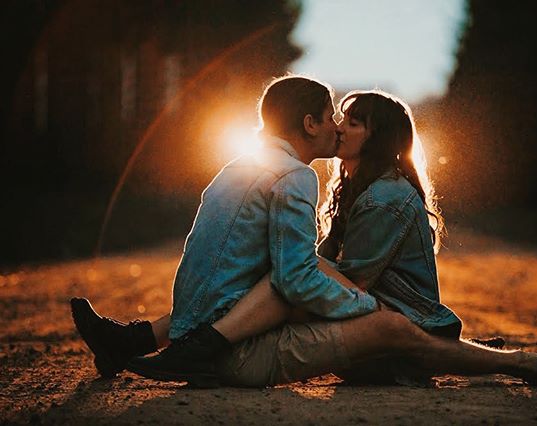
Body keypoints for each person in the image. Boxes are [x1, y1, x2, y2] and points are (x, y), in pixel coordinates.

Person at [73, 85, 537, 392]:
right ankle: (148, 341)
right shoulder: (338, 187)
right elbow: (314, 276)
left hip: (393, 311)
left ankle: (522, 364)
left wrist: (326, 290)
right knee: (286, 270)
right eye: (336, 118)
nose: (340, 127)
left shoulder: (386, 197)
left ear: (380, 137)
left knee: (291, 275)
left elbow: (341, 281)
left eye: (352, 122)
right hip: (359, 307)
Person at [71, 75, 380, 384]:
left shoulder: (238, 166)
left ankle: (129, 342)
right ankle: (193, 353)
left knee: (299, 265)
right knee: (294, 273)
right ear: (310, 124)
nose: (337, 127)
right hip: (226, 325)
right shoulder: (295, 174)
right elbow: (295, 278)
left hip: (196, 312)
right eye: (331, 118)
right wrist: (367, 306)